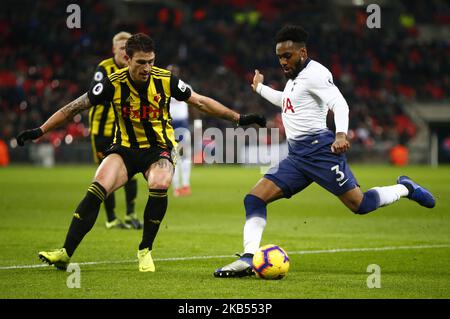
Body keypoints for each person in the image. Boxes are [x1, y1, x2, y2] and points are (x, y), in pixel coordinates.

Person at [16, 33, 266, 272]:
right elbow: (73, 108)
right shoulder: (112, 84)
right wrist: (40, 130)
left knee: (160, 181)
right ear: (127, 59)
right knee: (97, 187)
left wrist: (239, 118)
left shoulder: (166, 80)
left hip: (158, 150)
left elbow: (200, 101)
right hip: (124, 149)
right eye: (141, 63)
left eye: (151, 62)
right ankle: (65, 253)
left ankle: (145, 249)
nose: (147, 68)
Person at [214, 25, 436, 278]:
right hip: (297, 157)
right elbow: (287, 102)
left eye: (288, 56)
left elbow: (339, 103)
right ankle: (248, 258)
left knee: (359, 205)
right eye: (279, 57)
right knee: (254, 198)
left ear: (303, 52)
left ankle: (405, 188)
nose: (283, 62)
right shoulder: (295, 79)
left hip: (320, 151)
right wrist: (260, 89)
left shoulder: (316, 74)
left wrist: (341, 133)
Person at [89, 31, 142, 230]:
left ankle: (130, 215)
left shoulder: (135, 69)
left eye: (127, 48)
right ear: (114, 50)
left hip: (126, 131)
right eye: (121, 48)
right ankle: (111, 218)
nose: (124, 52)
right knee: (106, 175)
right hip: (102, 132)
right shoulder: (104, 68)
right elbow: (95, 93)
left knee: (131, 172)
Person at [167, 64, 192, 197]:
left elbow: (194, 106)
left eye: (174, 71)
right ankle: (177, 187)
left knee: (186, 156)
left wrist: (196, 123)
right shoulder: (162, 87)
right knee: (174, 157)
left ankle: (186, 185)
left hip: (183, 125)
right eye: (170, 71)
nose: (173, 73)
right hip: (169, 126)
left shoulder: (185, 87)